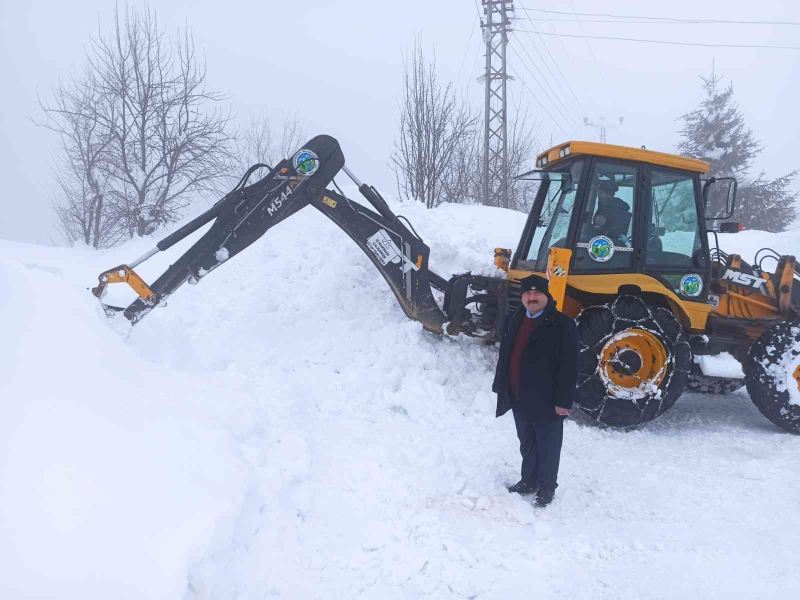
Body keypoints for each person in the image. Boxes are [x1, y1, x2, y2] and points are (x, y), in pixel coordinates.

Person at [492, 274, 580, 507]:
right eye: (527, 294)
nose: (532, 298)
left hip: (547, 399)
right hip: (518, 394)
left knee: (548, 446)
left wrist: (564, 400)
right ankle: (529, 480)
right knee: (527, 442)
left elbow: (570, 366)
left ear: (546, 296)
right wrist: (501, 385)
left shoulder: (562, 324)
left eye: (537, 293)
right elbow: (507, 354)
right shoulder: (515, 318)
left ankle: (546, 488)